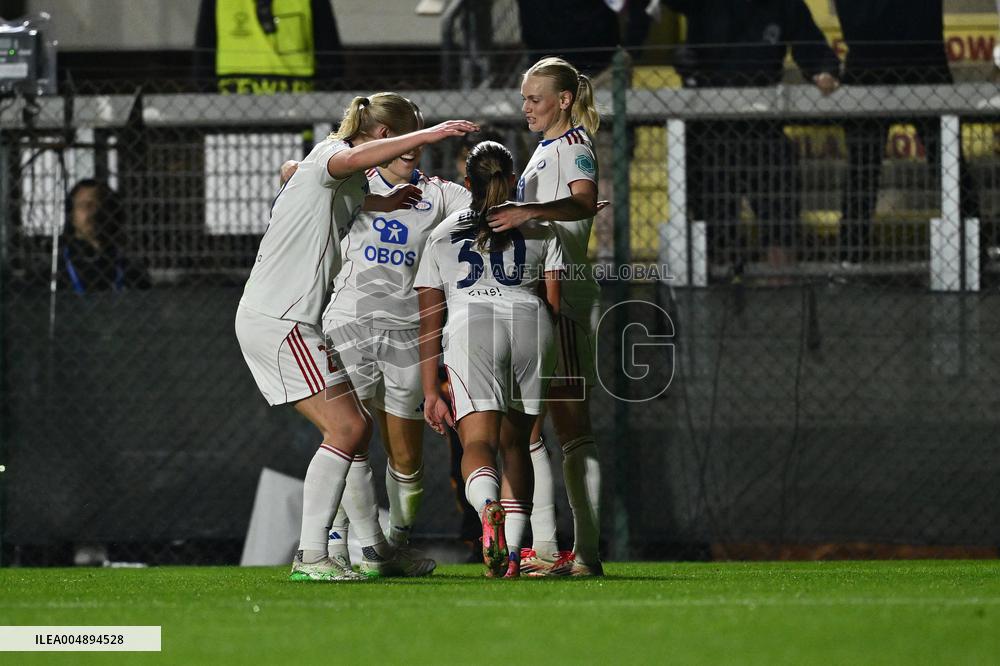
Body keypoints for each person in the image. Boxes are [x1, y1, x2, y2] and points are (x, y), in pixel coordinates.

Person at [235, 91, 476, 581]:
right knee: (347, 430)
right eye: (404, 138)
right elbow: (346, 159)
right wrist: (430, 133)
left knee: (354, 428)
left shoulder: (336, 178)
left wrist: (382, 201)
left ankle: (371, 551)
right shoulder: (330, 156)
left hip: (286, 318)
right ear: (386, 136)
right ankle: (316, 555)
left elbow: (325, 184)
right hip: (282, 319)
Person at [319, 105, 475, 573]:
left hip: (410, 335)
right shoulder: (351, 180)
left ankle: (393, 542)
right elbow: (293, 173)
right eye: (406, 137)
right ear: (386, 138)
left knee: (407, 457)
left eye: (419, 138)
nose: (414, 147)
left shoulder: (441, 195)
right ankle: (344, 544)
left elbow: (488, 209)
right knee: (350, 442)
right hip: (349, 325)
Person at [415, 140, 564, 578]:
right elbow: (554, 302)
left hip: (470, 324)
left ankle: (488, 510)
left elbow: (429, 319)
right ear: (513, 179)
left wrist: (429, 390)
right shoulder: (541, 227)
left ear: (467, 183)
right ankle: (514, 557)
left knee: (477, 443)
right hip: (532, 323)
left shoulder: (441, 235)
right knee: (518, 444)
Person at [486, 56, 604, 576]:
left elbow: (583, 199)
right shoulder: (546, 152)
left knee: (572, 429)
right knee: (528, 429)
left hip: (564, 302)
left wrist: (530, 212)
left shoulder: (575, 146)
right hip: (533, 300)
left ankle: (589, 554)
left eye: (535, 98)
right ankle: (549, 546)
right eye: (524, 98)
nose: (526, 106)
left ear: (563, 100)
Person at [665, 0, 840, 273]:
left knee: (780, 219)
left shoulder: (784, 5)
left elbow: (812, 45)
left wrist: (823, 69)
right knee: (715, 224)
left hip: (764, 125)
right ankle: (715, 291)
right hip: (711, 129)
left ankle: (779, 289)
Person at [833, 0, 979, 262]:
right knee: (865, 168)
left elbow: (855, 24)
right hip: (903, 62)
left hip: (891, 63)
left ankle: (971, 250)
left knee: (946, 161)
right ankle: (851, 256)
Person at [194, 0, 344, 93]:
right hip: (233, 120)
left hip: (296, 118)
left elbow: (330, 60)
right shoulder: (216, 2)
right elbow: (203, 62)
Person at [59, 179, 149, 293]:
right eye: (83, 205)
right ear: (71, 215)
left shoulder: (130, 268)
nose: (92, 211)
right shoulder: (58, 267)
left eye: (98, 204)